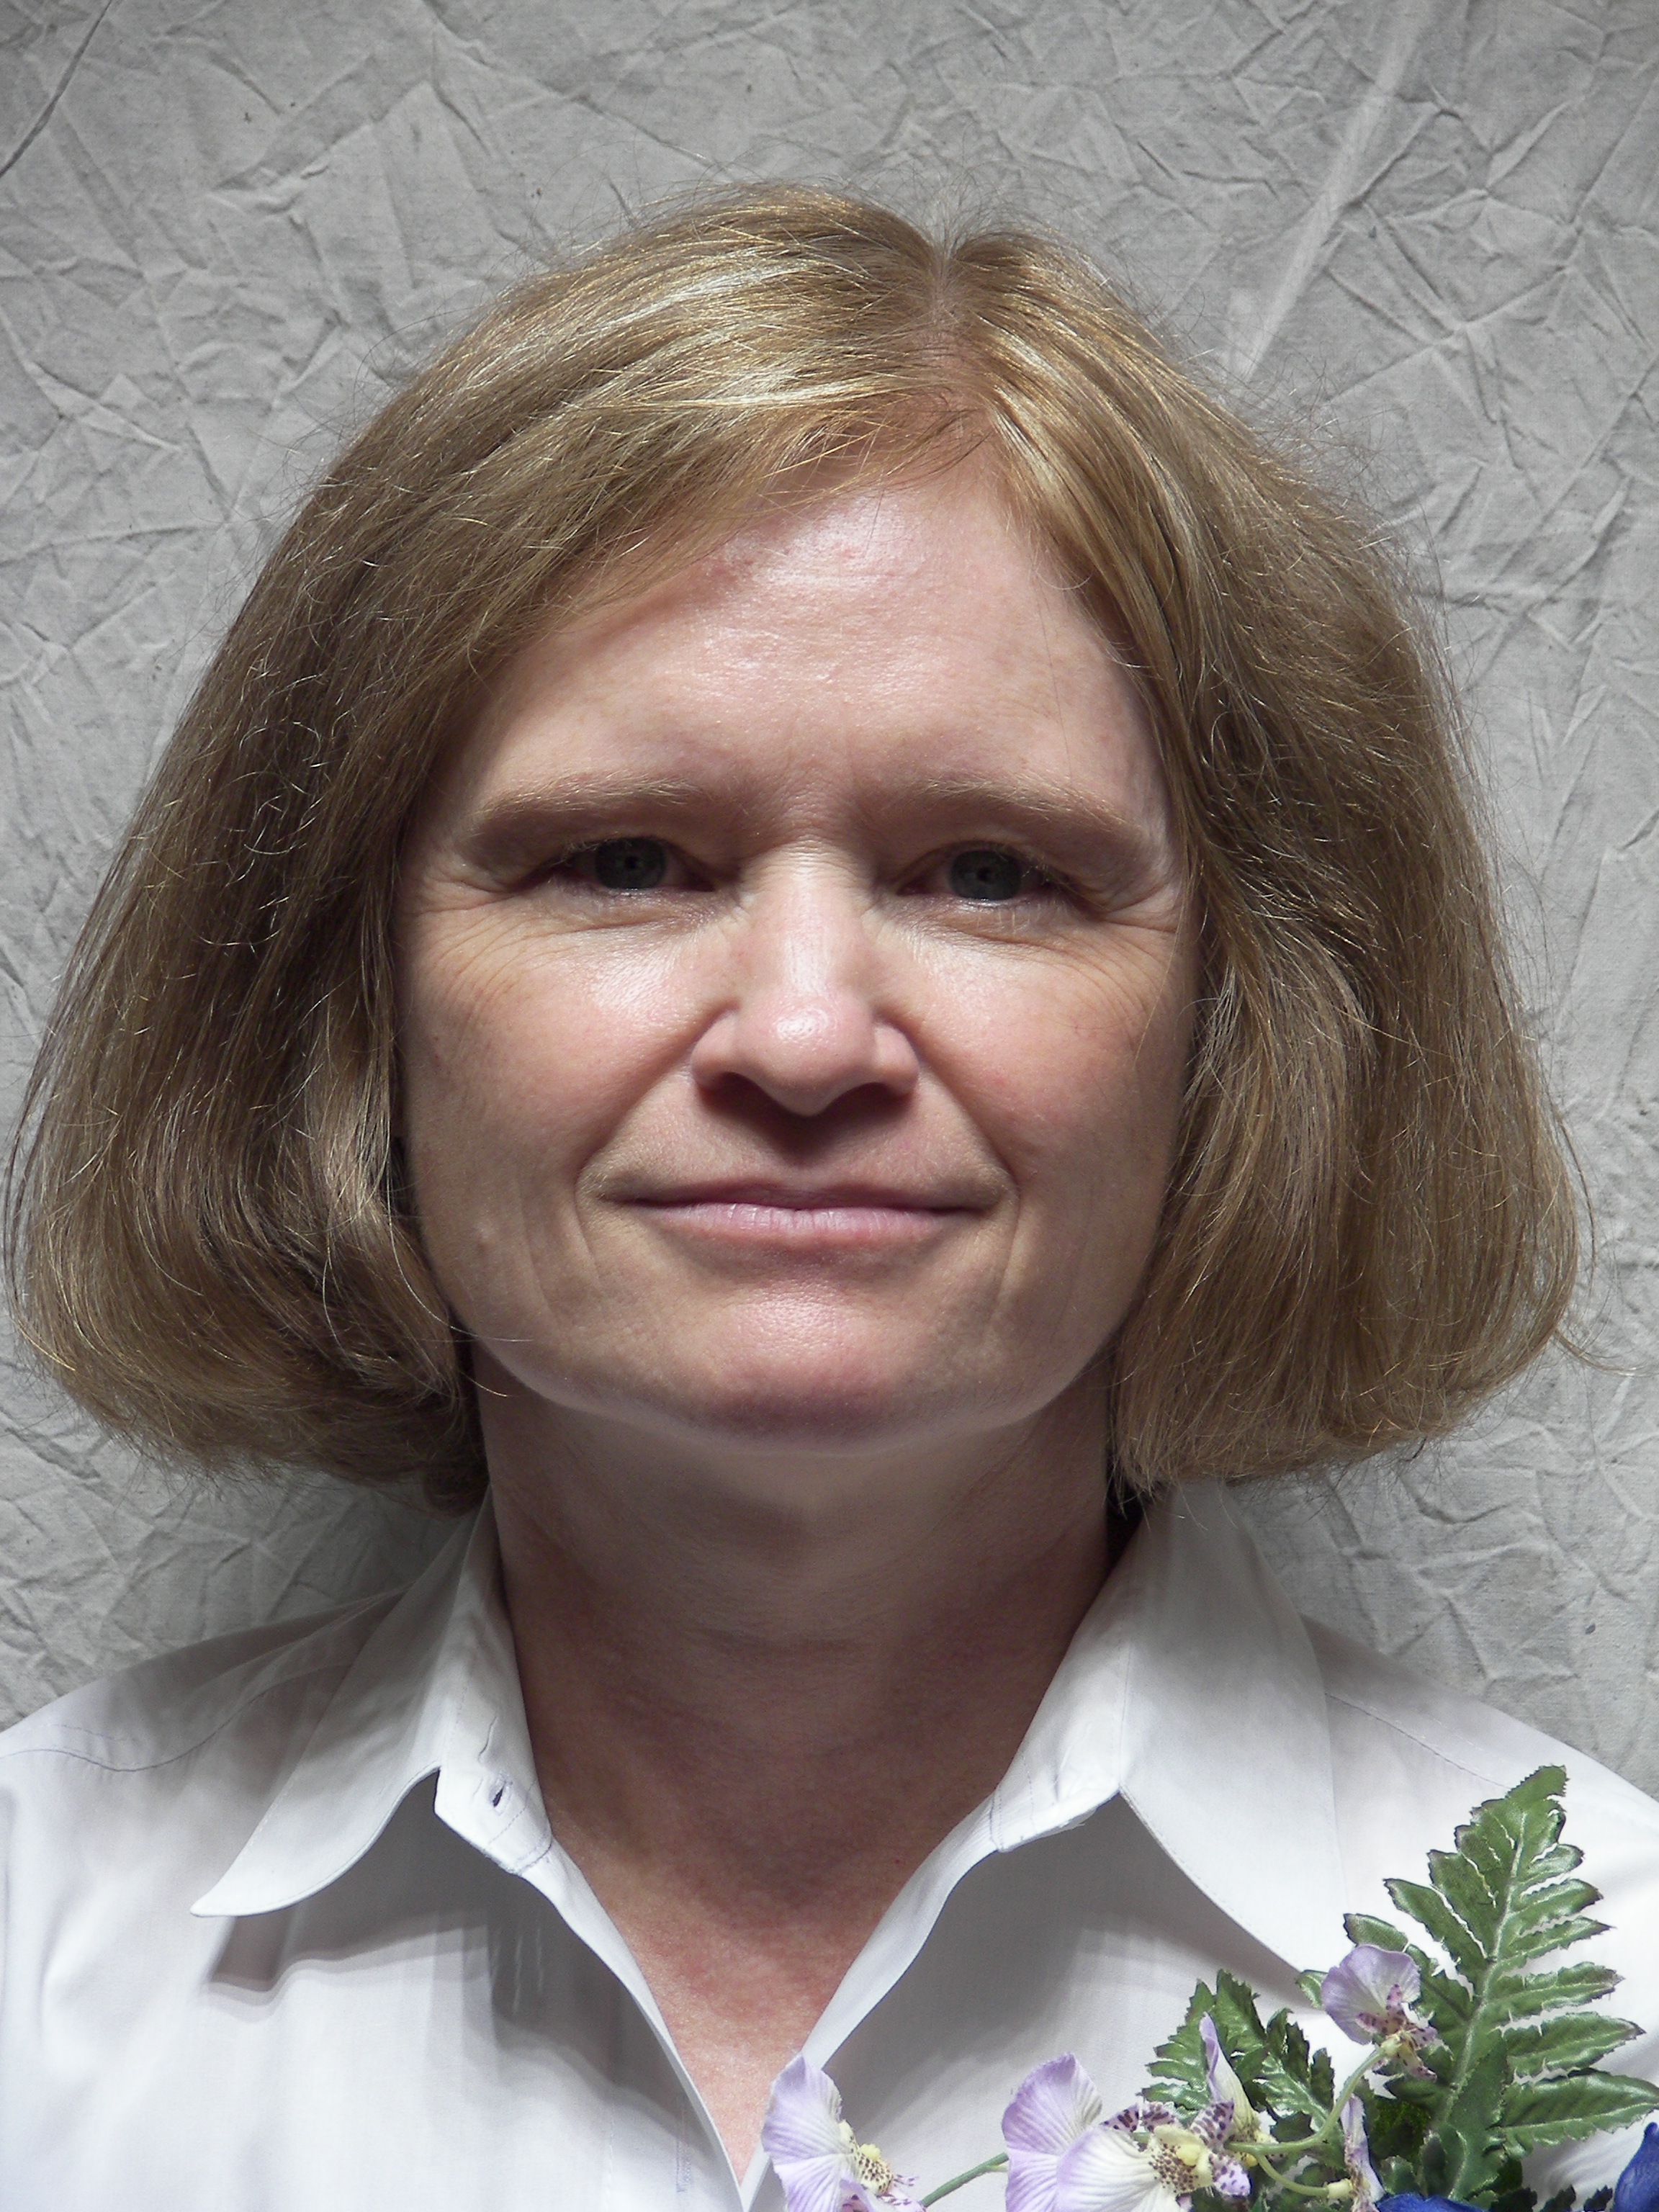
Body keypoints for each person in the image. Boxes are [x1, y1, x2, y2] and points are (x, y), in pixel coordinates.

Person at [1, 185, 1654, 2210]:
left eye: (991, 874)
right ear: (355, 1003)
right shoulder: (34, 1959)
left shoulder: (1627, 2037)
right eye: (625, 861)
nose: (802, 1038)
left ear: (1241, 1026)